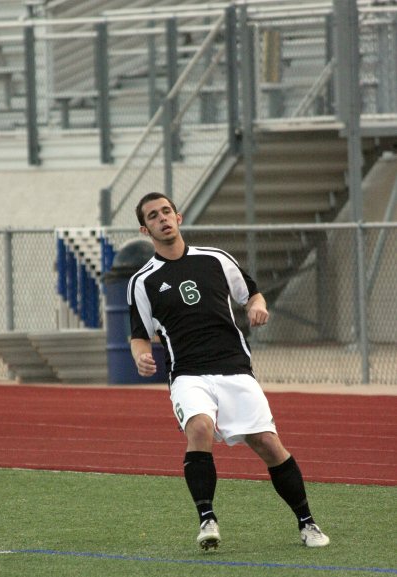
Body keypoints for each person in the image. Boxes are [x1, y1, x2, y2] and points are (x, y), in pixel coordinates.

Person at [128, 192, 329, 551]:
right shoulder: (143, 281)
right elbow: (139, 336)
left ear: (179, 216)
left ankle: (307, 523)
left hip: (235, 368)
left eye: (166, 212)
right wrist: (141, 356)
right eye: (154, 216)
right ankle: (207, 519)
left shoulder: (216, 260)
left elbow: (252, 294)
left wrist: (258, 307)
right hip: (188, 374)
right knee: (200, 427)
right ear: (146, 229)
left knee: (267, 444)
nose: (163, 219)